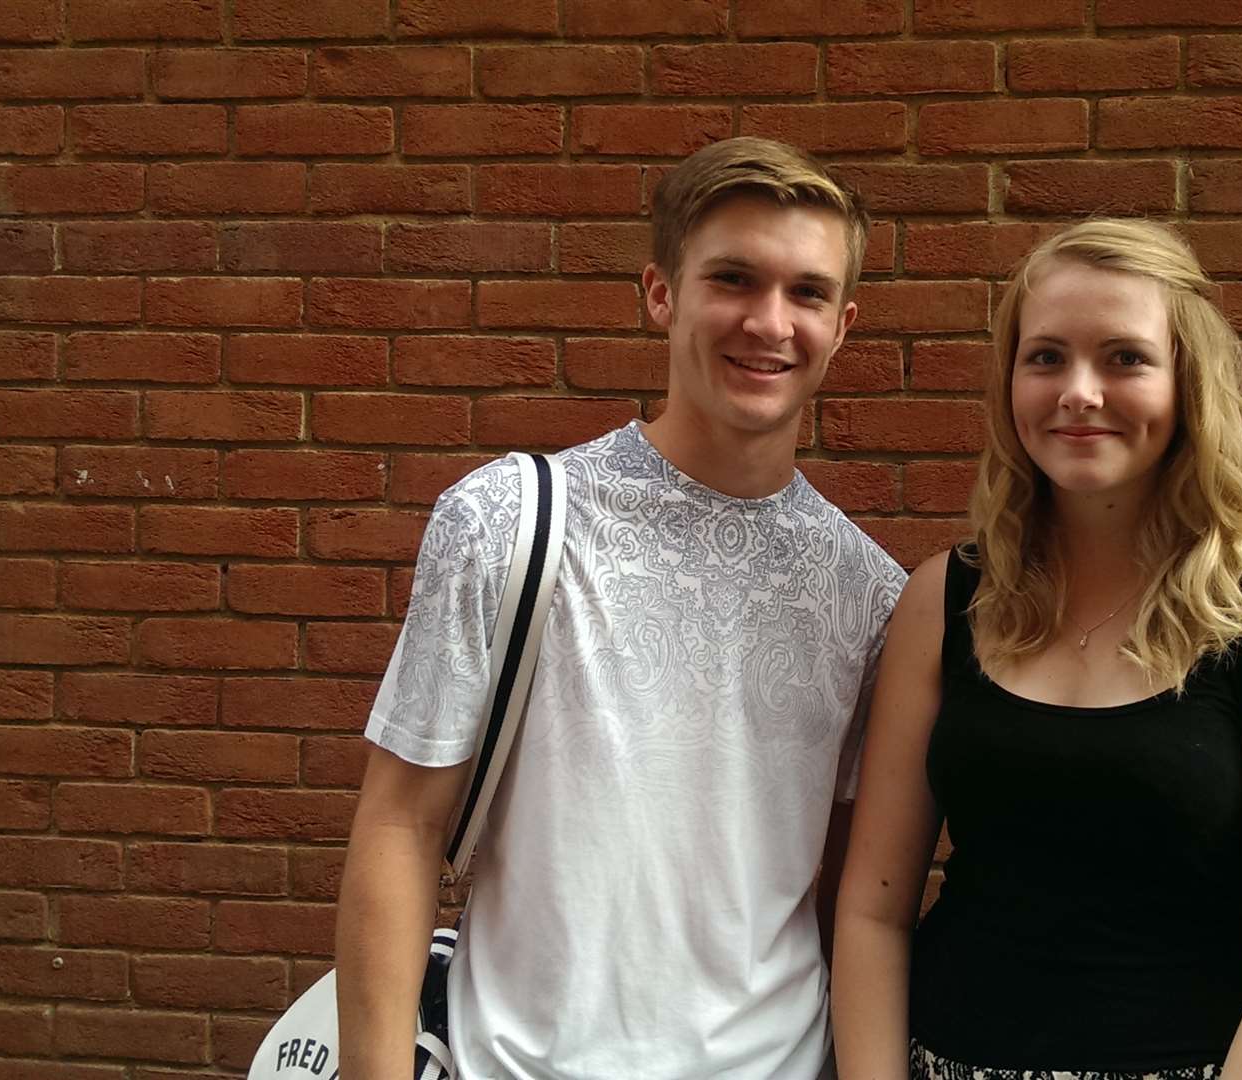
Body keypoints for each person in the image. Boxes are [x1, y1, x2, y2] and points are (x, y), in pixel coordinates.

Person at [335, 137, 905, 1080]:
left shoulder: (873, 596)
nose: (770, 322)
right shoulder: (508, 520)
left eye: (806, 293)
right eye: (733, 278)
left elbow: (851, 897)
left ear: (843, 324)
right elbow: (400, 826)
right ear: (660, 293)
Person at [831, 219, 1242, 1079]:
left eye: (1125, 357)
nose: (1079, 391)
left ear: (1187, 381)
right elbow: (872, 913)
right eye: (1045, 357)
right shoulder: (947, 598)